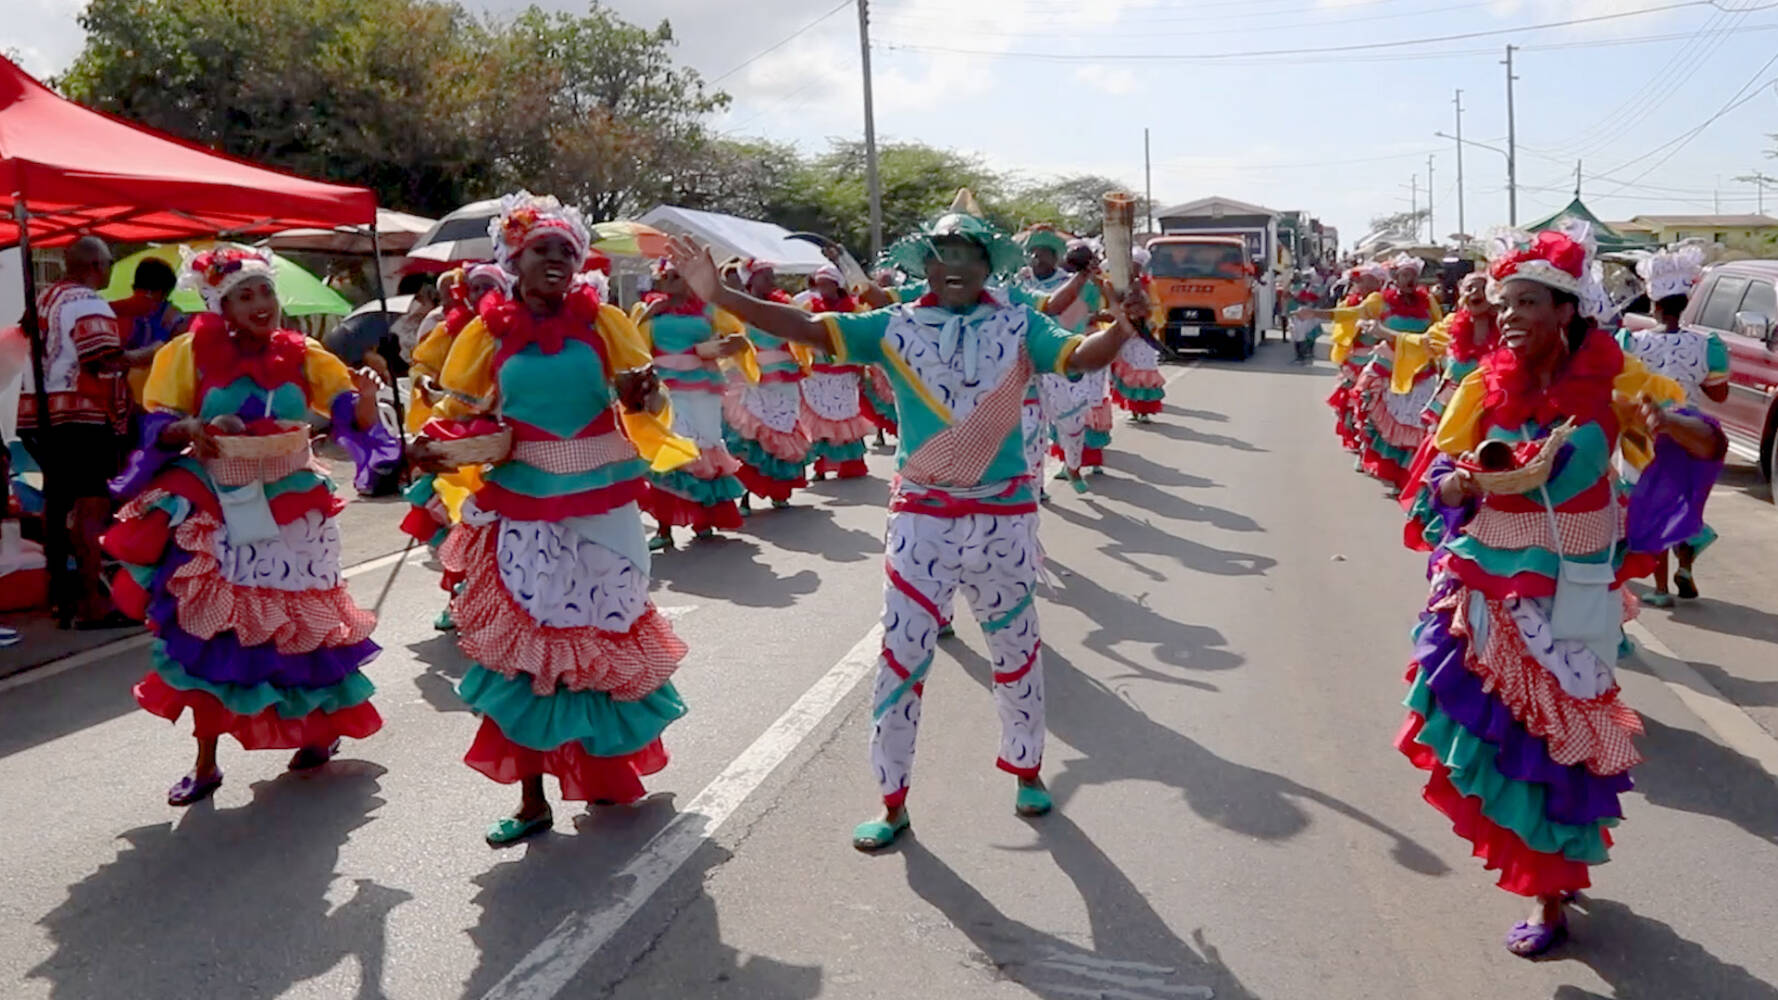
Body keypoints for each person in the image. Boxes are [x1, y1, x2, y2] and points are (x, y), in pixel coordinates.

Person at [660, 193, 1143, 852]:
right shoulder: (891, 325)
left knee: (1016, 650)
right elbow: (805, 329)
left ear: (987, 267)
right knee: (902, 657)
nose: (955, 268)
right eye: (942, 256)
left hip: (1002, 516)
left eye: (969, 257)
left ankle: (1027, 768)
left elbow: (1081, 357)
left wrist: (1122, 329)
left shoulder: (1020, 324)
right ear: (925, 263)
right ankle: (892, 800)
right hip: (922, 519)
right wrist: (722, 294)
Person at [1400, 227, 1720, 957]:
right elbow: (1441, 477)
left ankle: (1553, 892)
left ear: (1567, 311)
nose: (1509, 315)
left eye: (1527, 302)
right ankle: (1542, 878)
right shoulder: (1483, 382)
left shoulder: (1618, 380)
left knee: (1558, 744)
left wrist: (1663, 422)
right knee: (1495, 734)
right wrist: (1455, 483)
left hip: (1574, 587)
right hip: (1484, 582)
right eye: (1504, 302)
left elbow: (1704, 446)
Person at [414, 192, 694, 845]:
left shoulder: (607, 324)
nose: (557, 261)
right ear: (514, 258)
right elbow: (468, 415)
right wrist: (434, 441)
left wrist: (644, 392)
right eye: (542, 250)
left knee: (604, 641)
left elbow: (642, 395)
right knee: (532, 653)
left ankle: (605, 776)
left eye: (566, 252)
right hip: (527, 508)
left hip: (605, 502)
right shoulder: (484, 334)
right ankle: (533, 799)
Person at [104, 244, 398, 805]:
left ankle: (318, 732)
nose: (261, 303)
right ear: (220, 304)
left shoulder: (306, 353)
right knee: (213, 634)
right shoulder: (185, 352)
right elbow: (158, 427)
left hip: (291, 503)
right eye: (245, 295)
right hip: (220, 502)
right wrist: (193, 425)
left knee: (302, 626)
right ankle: (206, 763)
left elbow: (350, 421)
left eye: (265, 291)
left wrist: (364, 397)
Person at [18, 235, 129, 629]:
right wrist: (160, 350)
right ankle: (92, 604)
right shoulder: (86, 301)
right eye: (109, 262)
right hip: (80, 417)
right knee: (91, 506)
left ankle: (60, 598)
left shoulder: (47, 298)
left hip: (40, 414)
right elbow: (102, 360)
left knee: (57, 502)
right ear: (96, 266)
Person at [399, 263, 512, 630]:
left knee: (496, 537)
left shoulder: (511, 330)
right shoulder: (449, 329)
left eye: (488, 287)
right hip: (456, 440)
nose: (481, 295)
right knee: (453, 528)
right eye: (474, 288)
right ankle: (457, 602)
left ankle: (500, 608)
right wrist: (427, 386)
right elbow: (421, 366)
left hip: (499, 445)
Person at [1620, 243, 1729, 607]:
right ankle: (1687, 564)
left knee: (1653, 503)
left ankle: (1661, 589)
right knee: (1683, 499)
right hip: (1691, 431)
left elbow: (1620, 387)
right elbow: (1719, 394)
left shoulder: (1632, 342)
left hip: (1645, 432)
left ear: (1652, 304)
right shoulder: (1708, 344)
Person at [630, 258, 750, 551]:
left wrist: (732, 343)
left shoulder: (709, 310)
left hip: (704, 387)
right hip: (665, 391)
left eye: (677, 276)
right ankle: (664, 527)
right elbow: (629, 344)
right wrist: (647, 315)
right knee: (669, 450)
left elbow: (738, 333)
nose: (671, 282)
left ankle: (704, 520)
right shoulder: (647, 310)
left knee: (705, 449)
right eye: (666, 277)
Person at [1301, 256, 1444, 492]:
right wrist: (1316, 313)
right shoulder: (1380, 302)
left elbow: (1438, 332)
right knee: (1378, 418)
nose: (1410, 279)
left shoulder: (1428, 302)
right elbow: (1350, 314)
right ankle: (1383, 463)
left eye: (1413, 275)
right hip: (1388, 370)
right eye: (1405, 275)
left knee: (1418, 423)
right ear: (1395, 279)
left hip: (1420, 371)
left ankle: (1410, 472)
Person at [1401, 271, 1500, 553]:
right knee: (1448, 500)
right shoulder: (1449, 328)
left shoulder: (1507, 332)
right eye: (1469, 287)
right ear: (1460, 293)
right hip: (1453, 429)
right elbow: (1416, 343)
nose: (1474, 293)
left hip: (1490, 430)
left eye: (1482, 288)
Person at [721, 258, 812, 513]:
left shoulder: (784, 306)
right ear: (751, 280)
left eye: (772, 275)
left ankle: (779, 492)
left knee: (783, 432)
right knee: (751, 436)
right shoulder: (739, 310)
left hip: (784, 379)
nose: (772, 280)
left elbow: (803, 335)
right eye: (766, 275)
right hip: (753, 380)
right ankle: (746, 497)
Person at [798, 263, 875, 481]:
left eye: (827, 284)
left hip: (844, 369)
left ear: (836, 285)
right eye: (819, 284)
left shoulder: (851, 309)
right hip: (819, 371)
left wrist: (861, 367)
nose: (823, 288)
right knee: (819, 415)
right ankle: (821, 466)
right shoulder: (810, 307)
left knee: (845, 414)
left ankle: (850, 464)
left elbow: (858, 339)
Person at [1321, 264, 1385, 454]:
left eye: (1363, 280)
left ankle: (1367, 445)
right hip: (1353, 361)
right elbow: (1343, 327)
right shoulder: (1350, 302)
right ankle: (1356, 441)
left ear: (1377, 282)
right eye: (1357, 281)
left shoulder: (1381, 303)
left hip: (1375, 362)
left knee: (1369, 406)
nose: (1359, 284)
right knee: (1348, 404)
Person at [111, 257, 189, 406]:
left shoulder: (109, 310)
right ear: (163, 291)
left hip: (115, 396)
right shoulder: (174, 317)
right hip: (156, 397)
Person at [1111, 247, 1166, 421]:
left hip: (1143, 333)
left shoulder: (1148, 284)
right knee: (1128, 370)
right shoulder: (1120, 284)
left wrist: (1149, 323)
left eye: (1136, 265)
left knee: (1144, 371)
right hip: (1126, 333)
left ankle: (1144, 410)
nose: (1133, 269)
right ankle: (1134, 408)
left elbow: (1155, 306)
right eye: (1131, 265)